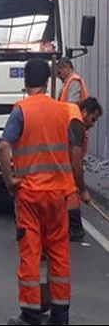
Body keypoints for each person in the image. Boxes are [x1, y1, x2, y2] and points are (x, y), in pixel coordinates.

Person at [0, 59, 90, 326]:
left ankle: (30, 316)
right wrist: (81, 188)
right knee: (59, 253)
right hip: (58, 196)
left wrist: (9, 181)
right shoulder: (64, 111)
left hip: (29, 195)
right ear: (49, 82)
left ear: (26, 82)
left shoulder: (21, 111)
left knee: (31, 253)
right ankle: (60, 316)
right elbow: (75, 155)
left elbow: (4, 147)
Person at [65, 97, 103, 242]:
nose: (92, 125)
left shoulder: (69, 110)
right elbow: (76, 164)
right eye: (92, 119)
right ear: (85, 112)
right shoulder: (77, 124)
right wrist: (83, 190)